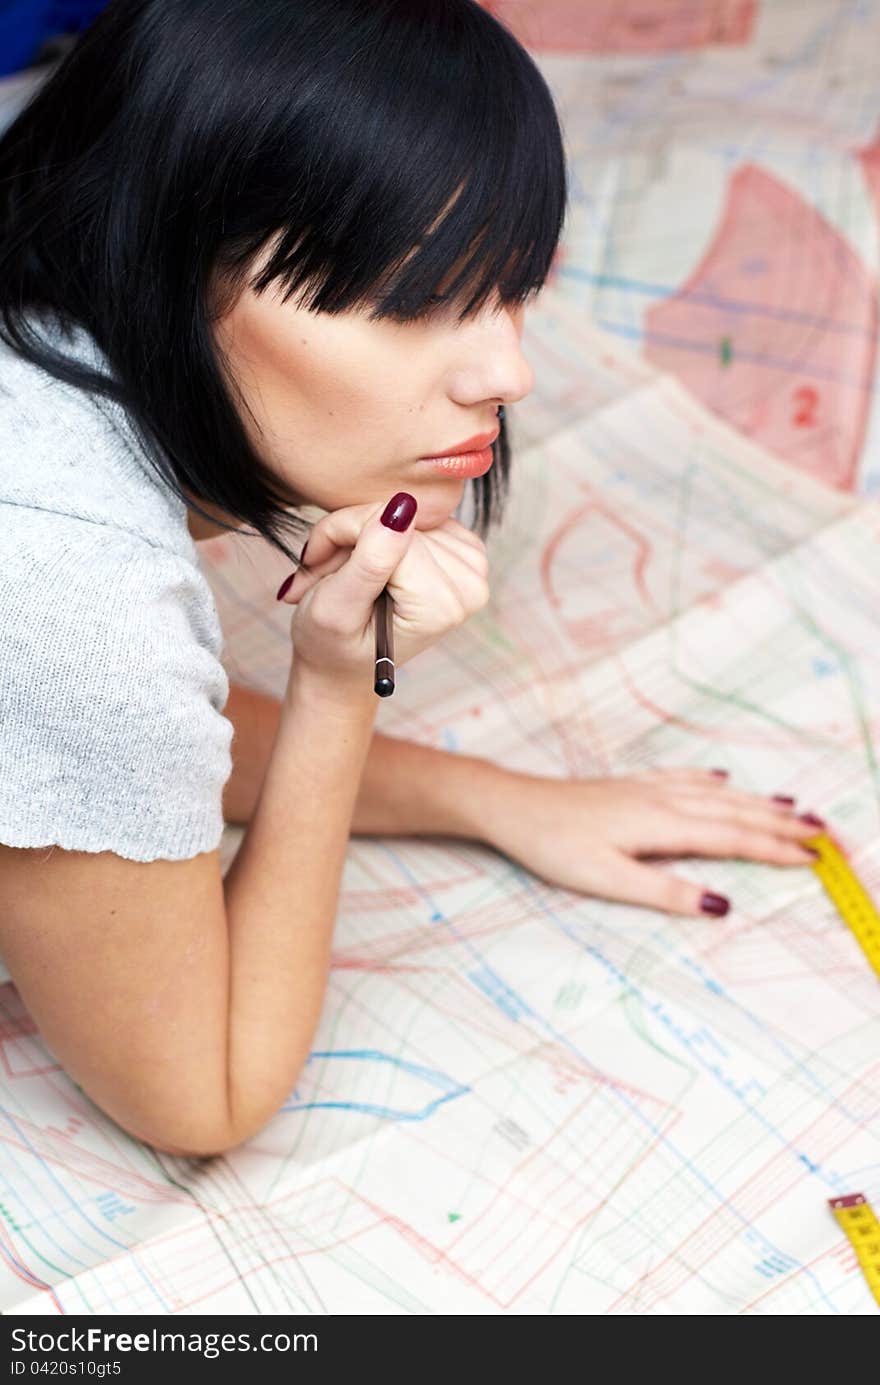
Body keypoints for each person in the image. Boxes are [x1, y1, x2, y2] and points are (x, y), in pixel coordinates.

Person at [0, 0, 823, 1158]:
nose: (509, 371)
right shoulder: (65, 581)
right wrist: (340, 685)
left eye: (513, 286)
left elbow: (88, 746)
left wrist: (491, 796)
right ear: (176, 263)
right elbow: (204, 1094)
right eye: (413, 299)